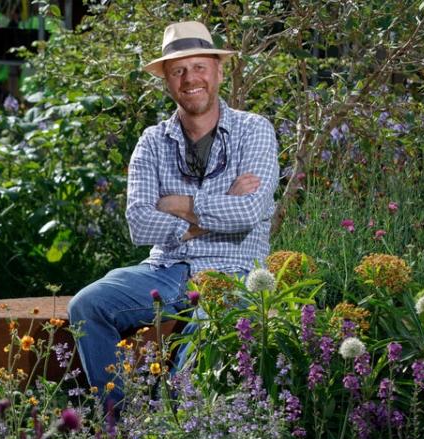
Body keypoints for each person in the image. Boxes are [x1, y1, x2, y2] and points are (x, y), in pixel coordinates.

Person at [68, 20, 279, 403]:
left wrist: (178, 205)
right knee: (87, 304)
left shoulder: (254, 130)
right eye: (178, 70)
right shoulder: (152, 141)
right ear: (167, 80)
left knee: (199, 348)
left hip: (232, 273)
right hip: (164, 270)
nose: (189, 78)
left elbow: (248, 212)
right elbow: (139, 223)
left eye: (199, 67)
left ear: (218, 70)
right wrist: (215, 210)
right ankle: (120, 425)